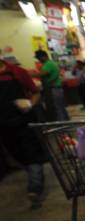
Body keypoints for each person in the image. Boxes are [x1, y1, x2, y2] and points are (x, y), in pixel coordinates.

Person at [0, 57, 47, 208]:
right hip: (4, 126)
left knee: (31, 153)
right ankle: (35, 176)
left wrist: (29, 104)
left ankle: (35, 188)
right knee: (17, 154)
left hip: (24, 121)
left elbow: (36, 93)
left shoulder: (17, 72)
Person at [32, 49, 70, 121]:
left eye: (38, 58)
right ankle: (66, 121)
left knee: (57, 108)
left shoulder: (48, 64)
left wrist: (29, 74)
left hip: (54, 89)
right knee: (60, 106)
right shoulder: (51, 63)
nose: (38, 60)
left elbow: (42, 74)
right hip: (56, 88)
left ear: (43, 56)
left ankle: (62, 124)